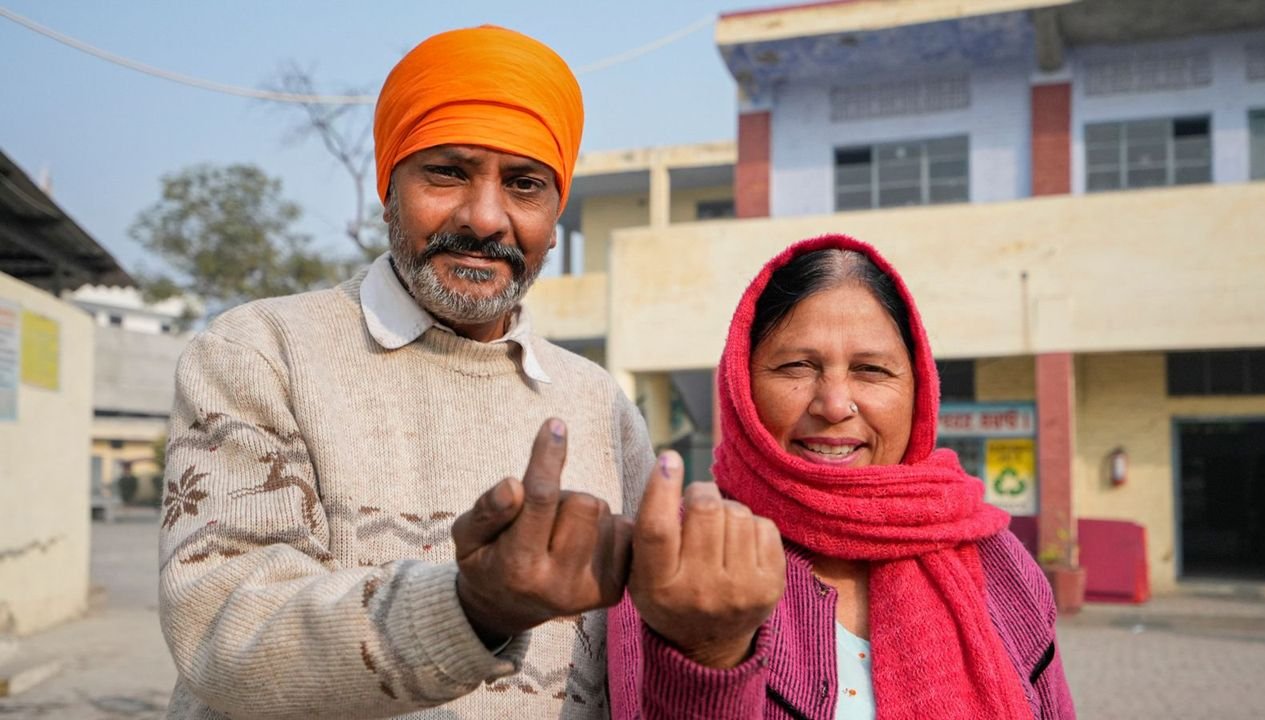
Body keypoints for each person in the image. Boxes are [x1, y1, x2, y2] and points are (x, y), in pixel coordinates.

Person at [158, 26, 656, 719]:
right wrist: (469, 608)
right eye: (448, 171)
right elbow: (224, 629)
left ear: (555, 209)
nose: (485, 218)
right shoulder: (262, 351)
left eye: (524, 184)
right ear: (388, 182)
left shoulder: (598, 402)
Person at [609, 234, 1076, 719]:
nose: (834, 405)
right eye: (797, 366)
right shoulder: (677, 558)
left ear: (919, 390)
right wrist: (711, 656)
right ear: (742, 384)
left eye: (871, 370)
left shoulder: (1000, 564)